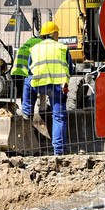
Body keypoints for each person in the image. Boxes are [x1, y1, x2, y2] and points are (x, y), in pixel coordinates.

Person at [27, 21, 74, 156]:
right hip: (58, 86)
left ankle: (27, 111)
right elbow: (70, 69)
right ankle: (59, 152)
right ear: (52, 34)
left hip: (39, 86)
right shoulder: (62, 48)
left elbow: (30, 69)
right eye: (57, 33)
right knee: (58, 117)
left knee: (26, 82)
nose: (58, 35)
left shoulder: (35, 48)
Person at [14, 35, 43, 114]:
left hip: (16, 71)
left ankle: (25, 115)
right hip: (25, 71)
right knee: (31, 96)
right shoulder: (41, 43)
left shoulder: (30, 41)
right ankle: (29, 116)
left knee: (24, 96)